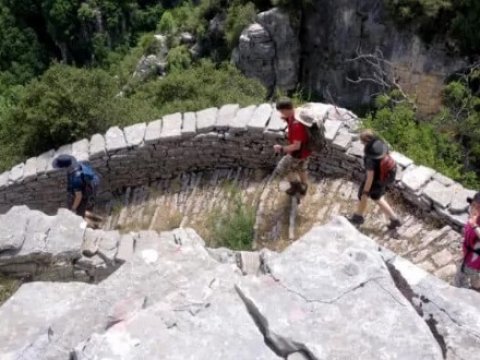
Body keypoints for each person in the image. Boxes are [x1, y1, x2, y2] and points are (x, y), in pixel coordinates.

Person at [347, 129, 401, 229]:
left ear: (366, 142)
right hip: (385, 177)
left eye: (362, 142)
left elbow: (370, 176)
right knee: (377, 197)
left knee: (364, 194)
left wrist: (366, 191)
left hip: (376, 179)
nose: (362, 144)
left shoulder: (369, 158)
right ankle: (395, 219)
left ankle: (358, 217)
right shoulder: (381, 145)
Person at [273, 98, 313, 197]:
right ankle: (304, 186)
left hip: (297, 153)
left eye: (282, 111)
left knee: (282, 168)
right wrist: (286, 119)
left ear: (287, 109)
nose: (281, 113)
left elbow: (296, 146)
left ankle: (295, 187)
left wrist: (281, 148)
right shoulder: (298, 112)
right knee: (301, 168)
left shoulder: (296, 126)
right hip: (307, 150)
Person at [52, 154, 102, 228]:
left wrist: (73, 208)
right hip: (87, 186)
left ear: (65, 167)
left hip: (85, 193)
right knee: (84, 211)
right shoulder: (75, 165)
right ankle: (100, 220)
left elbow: (79, 196)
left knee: (80, 215)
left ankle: (96, 227)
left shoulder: (75, 178)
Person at [454, 193, 480, 291]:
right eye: (473, 205)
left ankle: (460, 294)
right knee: (474, 276)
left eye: (478, 207)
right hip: (468, 254)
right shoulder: (473, 217)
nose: (473, 209)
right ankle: (476, 288)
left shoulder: (475, 222)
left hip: (474, 260)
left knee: (460, 278)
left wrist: (474, 226)